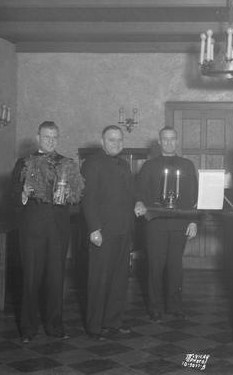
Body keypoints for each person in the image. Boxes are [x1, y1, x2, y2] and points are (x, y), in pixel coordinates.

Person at [12, 121, 82, 343]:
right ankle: (28, 329)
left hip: (59, 231)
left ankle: (54, 326)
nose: (51, 140)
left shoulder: (68, 164)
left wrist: (72, 193)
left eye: (54, 137)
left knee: (56, 279)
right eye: (46, 136)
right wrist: (22, 192)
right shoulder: (23, 162)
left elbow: (78, 201)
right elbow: (11, 196)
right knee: (30, 279)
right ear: (38, 137)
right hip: (32, 231)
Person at [135, 126, 198, 323]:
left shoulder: (187, 165)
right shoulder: (149, 166)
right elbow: (139, 192)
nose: (169, 142)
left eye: (172, 139)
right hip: (156, 224)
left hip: (180, 223)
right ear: (160, 142)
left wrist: (194, 221)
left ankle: (174, 306)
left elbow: (194, 197)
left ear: (177, 141)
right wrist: (139, 202)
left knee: (175, 266)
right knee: (155, 266)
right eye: (165, 139)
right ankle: (155, 308)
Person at [81, 125, 138, 340]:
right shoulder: (92, 164)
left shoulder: (124, 164)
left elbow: (131, 194)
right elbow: (88, 199)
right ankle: (95, 326)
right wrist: (94, 229)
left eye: (119, 140)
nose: (116, 143)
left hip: (123, 230)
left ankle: (113, 322)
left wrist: (138, 202)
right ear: (102, 141)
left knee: (119, 279)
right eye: (111, 139)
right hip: (102, 232)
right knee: (99, 280)